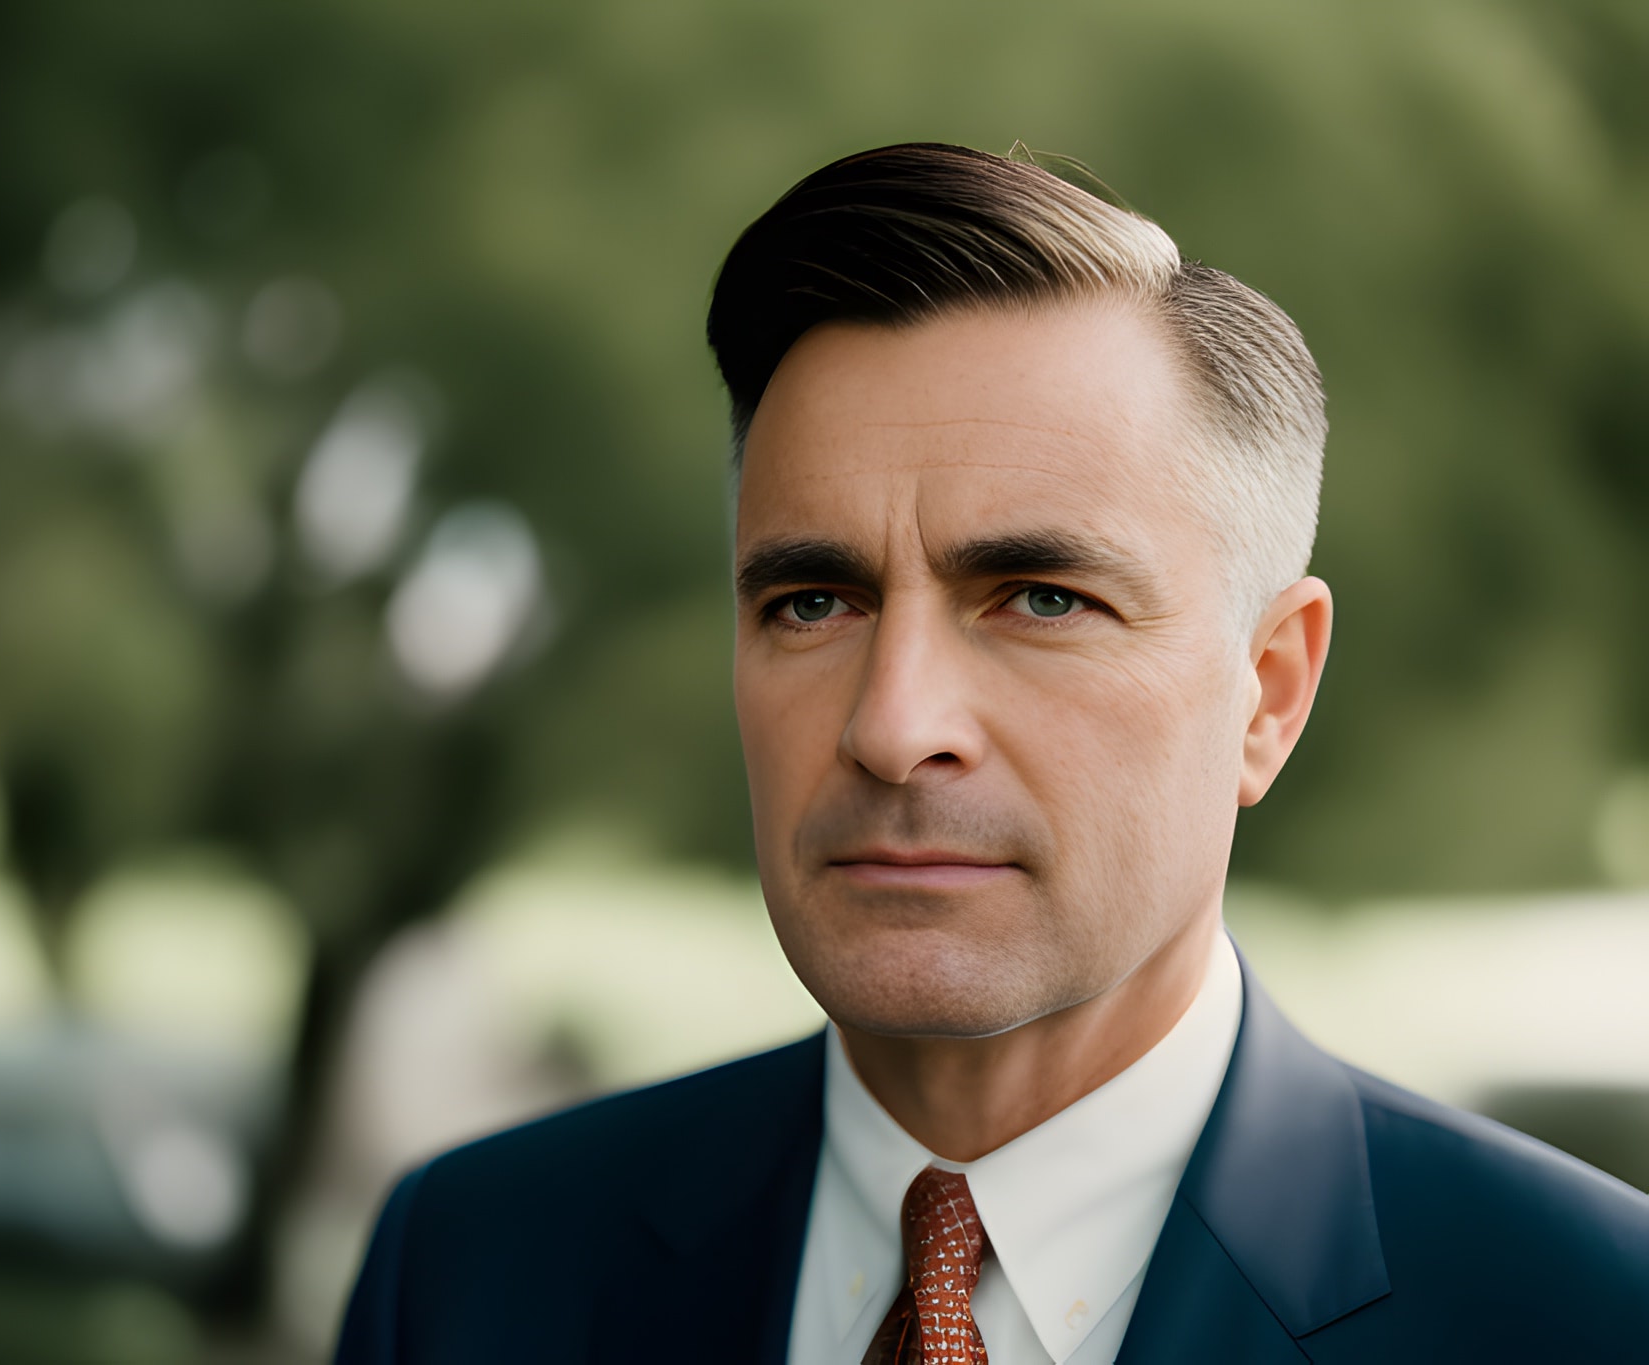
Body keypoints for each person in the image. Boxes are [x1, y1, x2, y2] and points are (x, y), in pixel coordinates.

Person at [333, 143, 1649, 1364]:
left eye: (1041, 597)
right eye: (812, 602)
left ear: (1269, 691)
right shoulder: (468, 1272)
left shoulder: (1588, 1314)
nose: (894, 726)